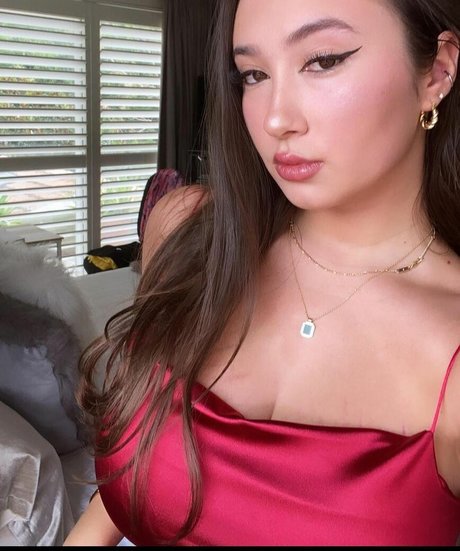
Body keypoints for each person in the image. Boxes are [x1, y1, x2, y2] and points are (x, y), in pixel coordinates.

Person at [63, 0, 460, 545]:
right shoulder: (188, 234)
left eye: (323, 60)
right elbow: (130, 477)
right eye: (252, 74)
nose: (275, 119)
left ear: (437, 71)